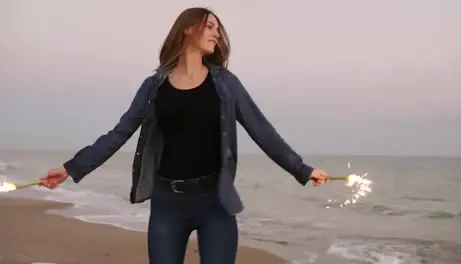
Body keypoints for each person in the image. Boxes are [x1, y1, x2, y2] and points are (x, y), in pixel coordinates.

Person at [40, 7, 330, 264]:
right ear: (189, 28)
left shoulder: (226, 84)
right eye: (210, 26)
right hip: (168, 203)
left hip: (215, 201)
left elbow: (262, 130)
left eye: (219, 29)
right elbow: (119, 133)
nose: (217, 34)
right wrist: (71, 168)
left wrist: (302, 169)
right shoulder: (154, 87)